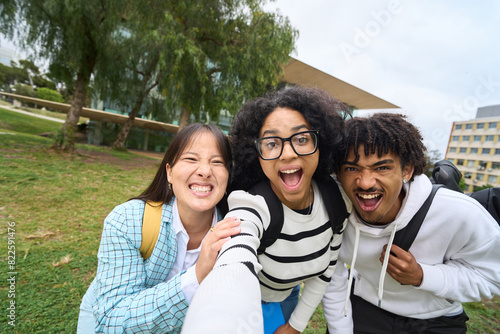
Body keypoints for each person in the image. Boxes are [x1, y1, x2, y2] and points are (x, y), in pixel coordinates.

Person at [181, 86, 352, 333]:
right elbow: (235, 258)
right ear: (257, 154)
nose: (288, 153)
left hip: (287, 299)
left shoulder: (337, 200)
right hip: (248, 306)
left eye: (301, 139)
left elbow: (326, 271)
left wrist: (296, 325)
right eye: (272, 143)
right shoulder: (252, 205)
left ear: (320, 142)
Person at [323, 113, 500, 333]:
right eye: (352, 168)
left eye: (382, 168)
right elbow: (333, 276)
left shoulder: (460, 212)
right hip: (365, 308)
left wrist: (422, 276)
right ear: (338, 173)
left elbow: (491, 278)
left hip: (436, 319)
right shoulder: (333, 209)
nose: (366, 183)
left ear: (406, 170)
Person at [77, 123, 241, 333]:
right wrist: (197, 276)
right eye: (191, 159)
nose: (205, 171)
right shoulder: (127, 220)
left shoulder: (234, 233)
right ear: (169, 172)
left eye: (217, 162)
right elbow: (112, 320)